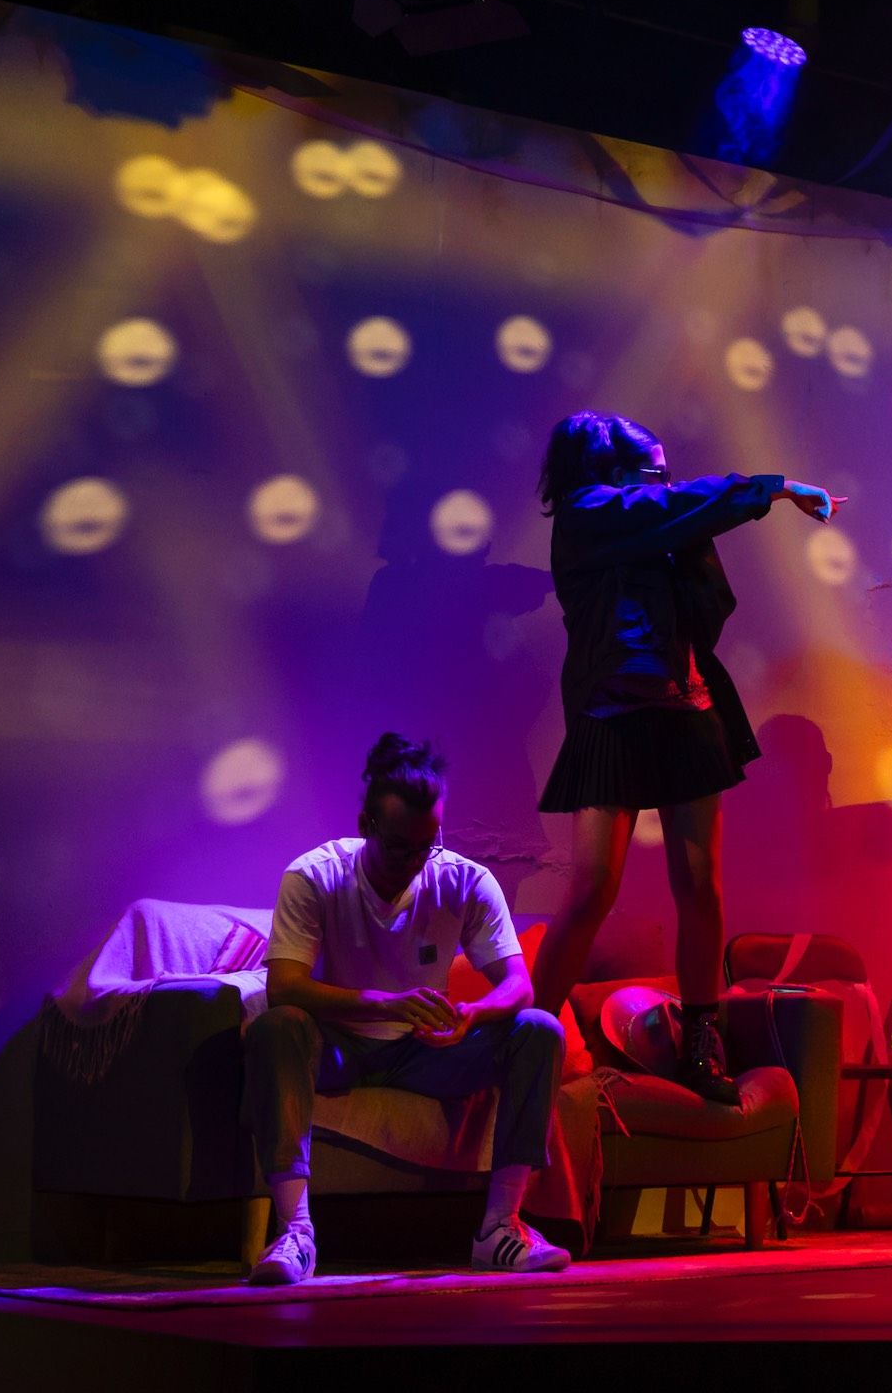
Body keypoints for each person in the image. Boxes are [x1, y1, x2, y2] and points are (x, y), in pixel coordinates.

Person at [523, 411, 839, 1104]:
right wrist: (773, 487)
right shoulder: (587, 515)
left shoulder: (661, 527)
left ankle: (702, 1045)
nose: (665, 481)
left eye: (667, 471)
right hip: (612, 715)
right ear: (607, 472)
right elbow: (663, 507)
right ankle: (527, 1042)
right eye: (650, 470)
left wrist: (691, 542)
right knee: (591, 888)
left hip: (688, 710)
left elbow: (707, 601)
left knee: (701, 888)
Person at [246, 734, 570, 1285]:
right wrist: (383, 1001)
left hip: (425, 1052)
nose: (414, 861)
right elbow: (284, 986)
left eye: (427, 844)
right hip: (340, 1045)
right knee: (278, 1028)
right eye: (400, 847)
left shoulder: (463, 880)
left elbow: (519, 987)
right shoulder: (316, 875)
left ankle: (499, 1229)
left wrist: (472, 1015)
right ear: (367, 823)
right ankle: (296, 1232)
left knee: (538, 1031)